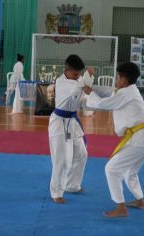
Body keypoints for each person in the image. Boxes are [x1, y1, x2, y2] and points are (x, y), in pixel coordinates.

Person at [83, 62, 144, 218]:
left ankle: (121, 207)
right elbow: (108, 91)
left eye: (117, 78)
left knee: (112, 169)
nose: (116, 80)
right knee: (130, 172)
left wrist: (89, 93)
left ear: (124, 80)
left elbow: (104, 103)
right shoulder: (127, 90)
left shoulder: (126, 94)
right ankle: (140, 201)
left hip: (139, 139)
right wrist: (92, 88)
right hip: (143, 137)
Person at [49, 54, 94, 204]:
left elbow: (84, 94)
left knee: (82, 154)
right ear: (66, 70)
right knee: (61, 159)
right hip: (59, 122)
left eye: (79, 73)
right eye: (75, 74)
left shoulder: (78, 80)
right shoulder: (61, 82)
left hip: (73, 121)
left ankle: (72, 185)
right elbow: (77, 89)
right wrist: (88, 76)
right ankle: (56, 192)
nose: (77, 76)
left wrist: (87, 80)